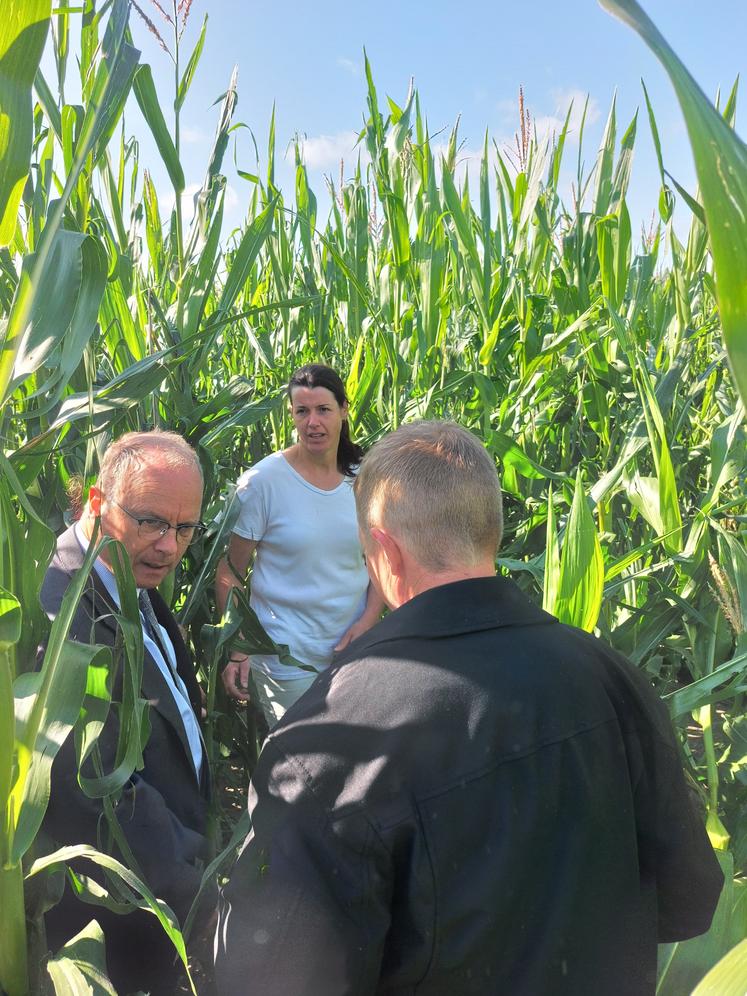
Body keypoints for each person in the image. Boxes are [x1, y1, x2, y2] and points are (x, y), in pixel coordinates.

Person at [214, 420, 723, 996]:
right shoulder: (613, 679)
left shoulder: (329, 739)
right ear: (490, 531)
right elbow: (689, 902)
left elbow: (281, 977)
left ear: (384, 551)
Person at [40, 430, 212, 995]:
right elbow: (101, 788)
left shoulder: (131, 579)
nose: (170, 546)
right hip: (122, 915)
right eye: (151, 522)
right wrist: (202, 889)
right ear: (96, 502)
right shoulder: (61, 612)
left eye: (185, 528)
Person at [215, 363, 384, 728]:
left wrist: (369, 621)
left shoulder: (365, 478)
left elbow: (380, 560)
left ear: (344, 409)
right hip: (283, 657)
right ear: (291, 415)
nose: (313, 423)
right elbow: (230, 570)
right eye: (301, 411)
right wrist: (239, 646)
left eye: (323, 410)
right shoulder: (263, 483)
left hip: (351, 650)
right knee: (302, 762)